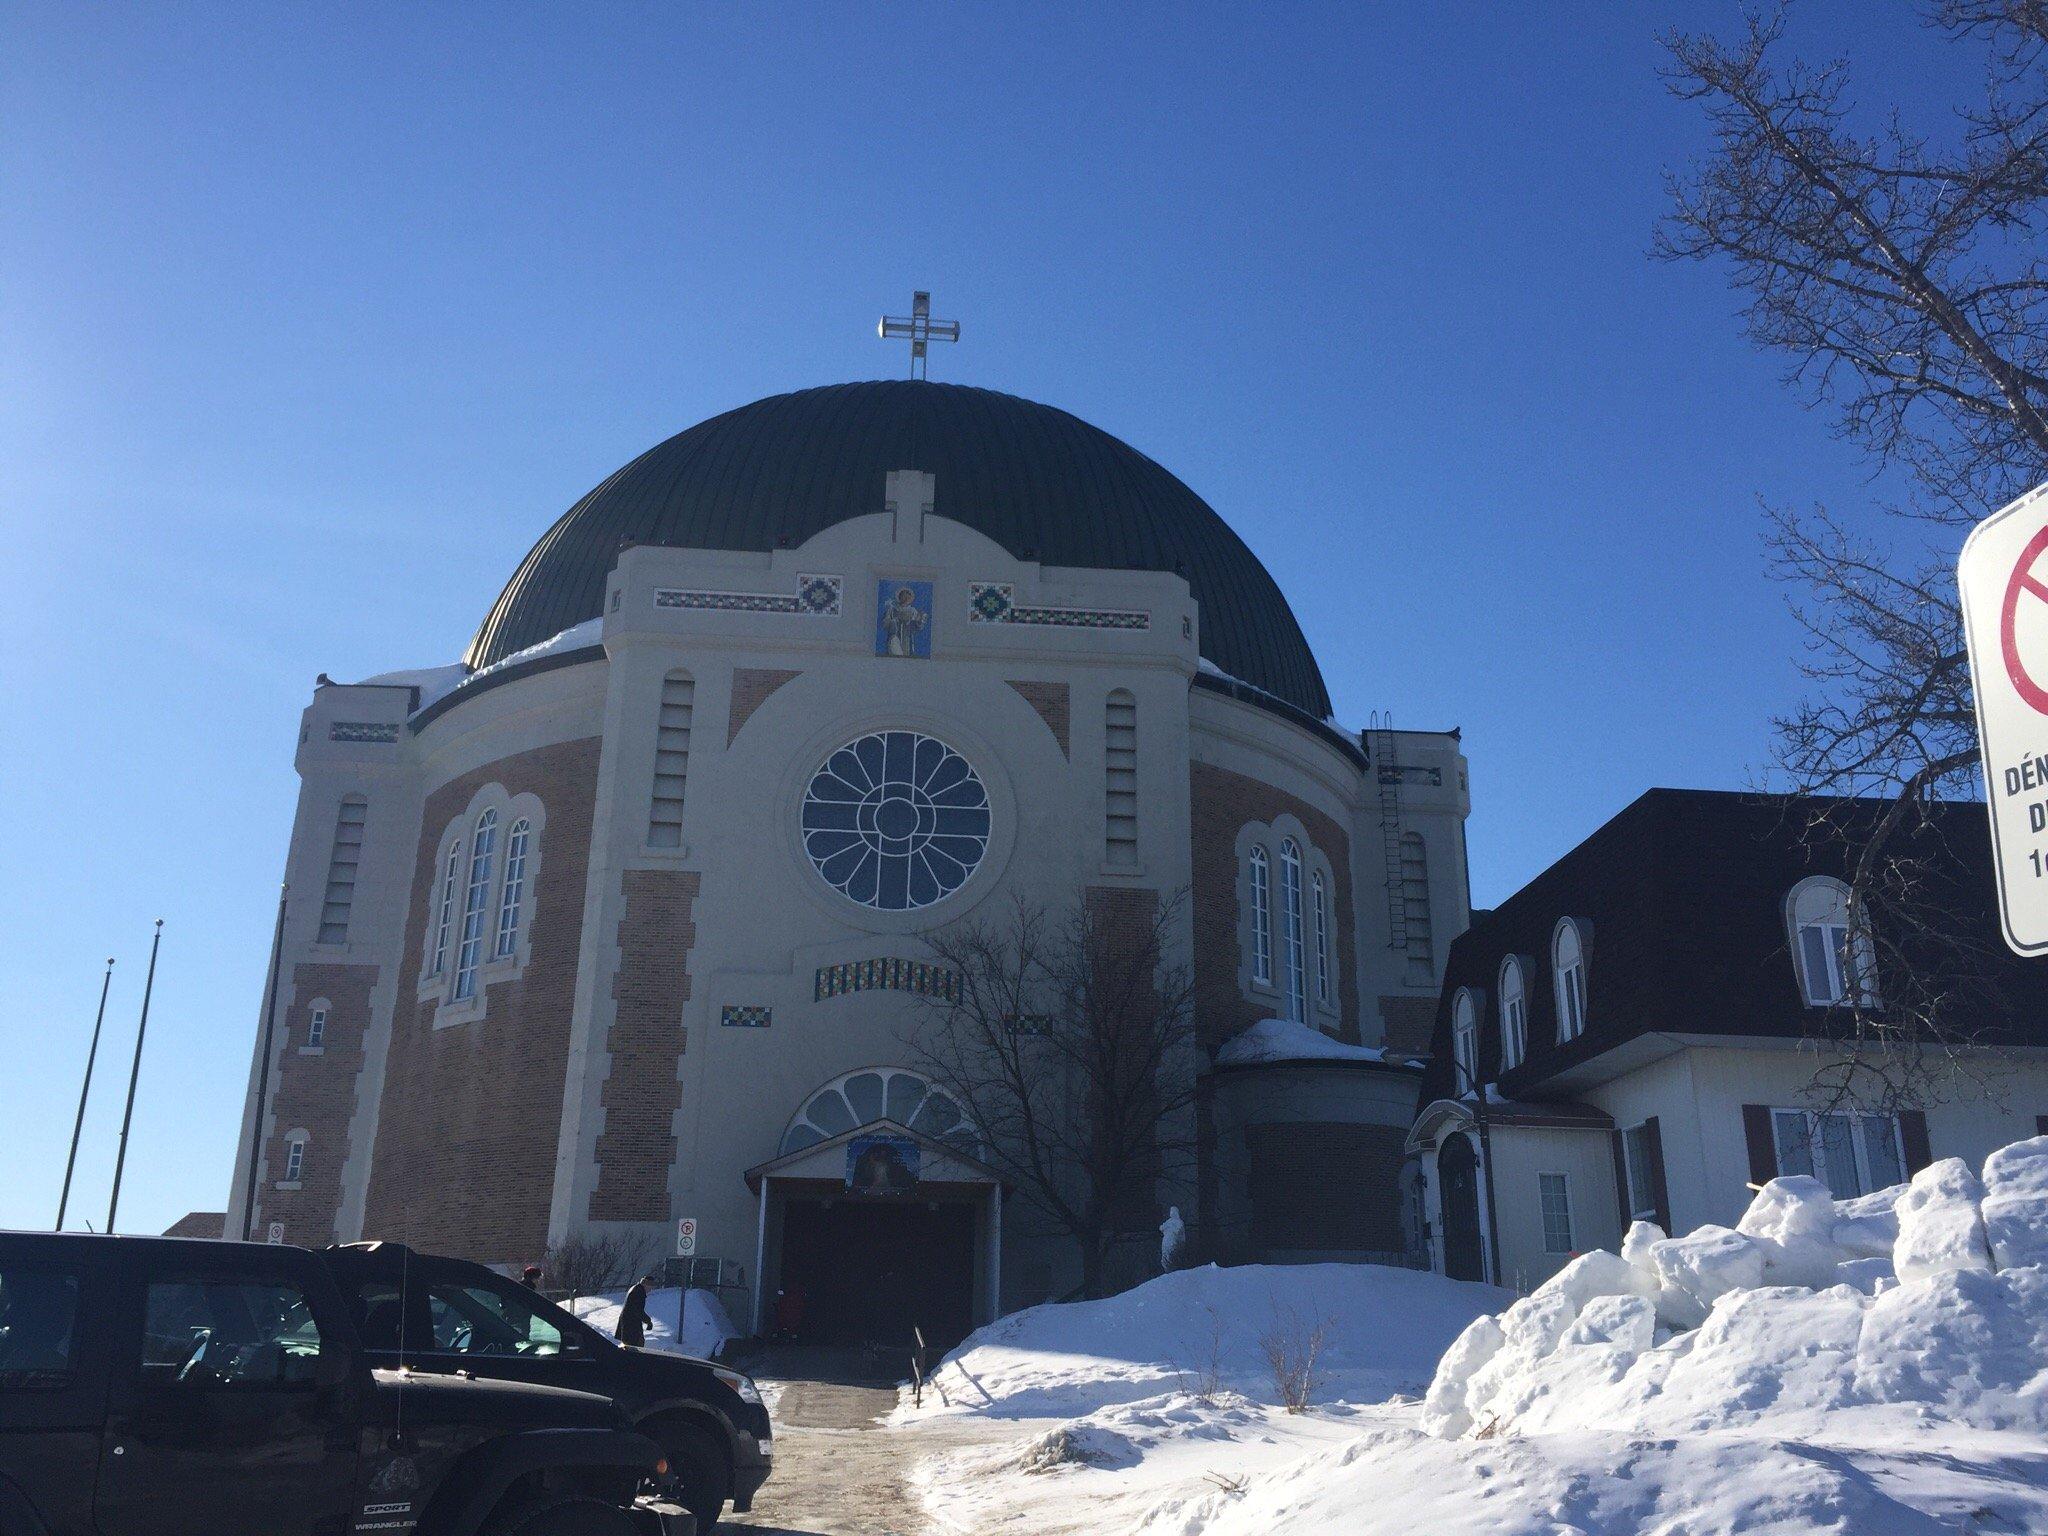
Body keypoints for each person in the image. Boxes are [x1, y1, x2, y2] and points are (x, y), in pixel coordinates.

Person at [615, 1275, 652, 1349]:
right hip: (631, 1326)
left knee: (629, 1347)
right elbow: (638, 1310)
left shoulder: (635, 1288)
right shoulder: (639, 1292)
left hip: (627, 1324)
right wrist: (648, 1321)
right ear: (646, 1284)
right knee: (636, 1348)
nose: (651, 1290)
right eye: (650, 1287)